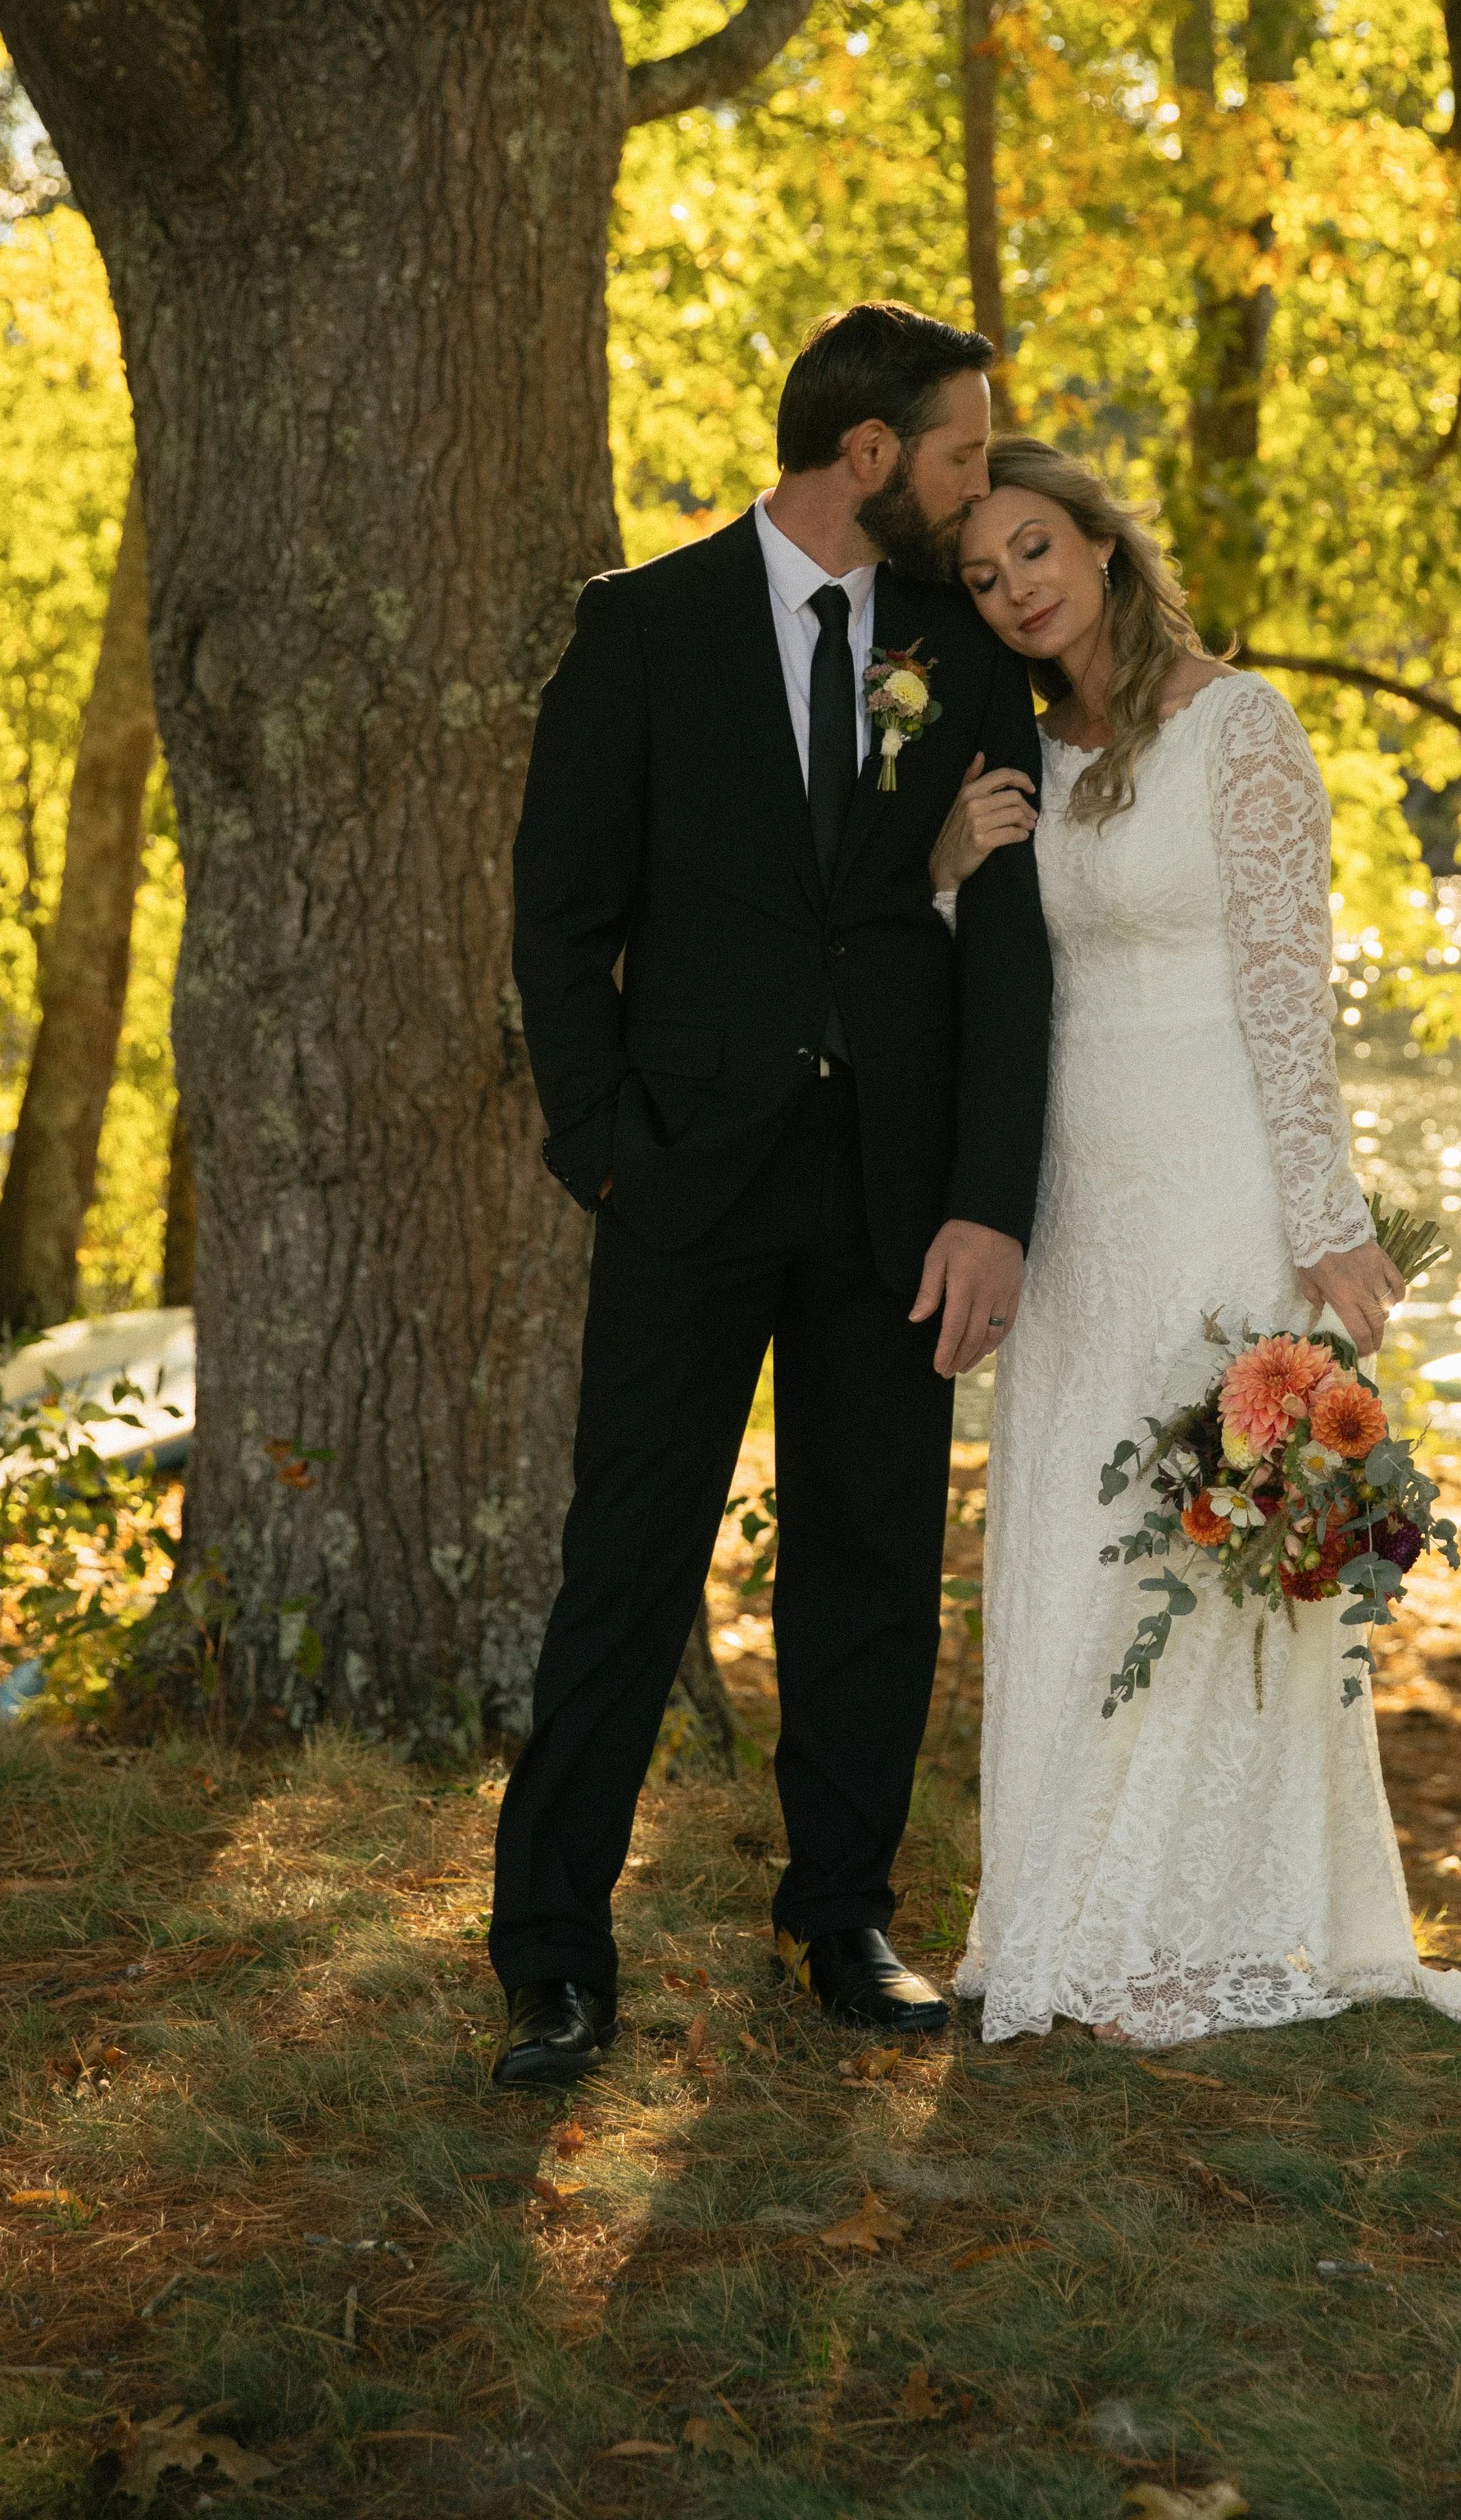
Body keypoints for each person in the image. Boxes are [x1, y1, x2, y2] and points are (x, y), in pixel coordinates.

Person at [935, 437, 1461, 2052]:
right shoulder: (1024, 759)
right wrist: (944, 873)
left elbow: (1285, 993)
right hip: (1071, 1193)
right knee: (1070, 1531)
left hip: (1210, 1191)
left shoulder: (1240, 731)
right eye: (982, 577)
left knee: (1198, 1543)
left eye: (1036, 550)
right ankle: (1056, 1907)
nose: (1016, 589)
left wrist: (1325, 1226)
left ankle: (1212, 1918)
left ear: (1104, 548)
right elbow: (984, 990)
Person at [488, 306, 1052, 2087]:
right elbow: (558, 920)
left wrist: (988, 1201)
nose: (983, 488)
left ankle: (842, 1918)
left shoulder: (961, 654)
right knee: (626, 1570)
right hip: (680, 1184)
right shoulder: (640, 628)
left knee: (869, 1561)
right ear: (868, 454)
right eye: (962, 452)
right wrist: (603, 1147)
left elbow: (1001, 946)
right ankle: (553, 1956)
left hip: (889, 1191)